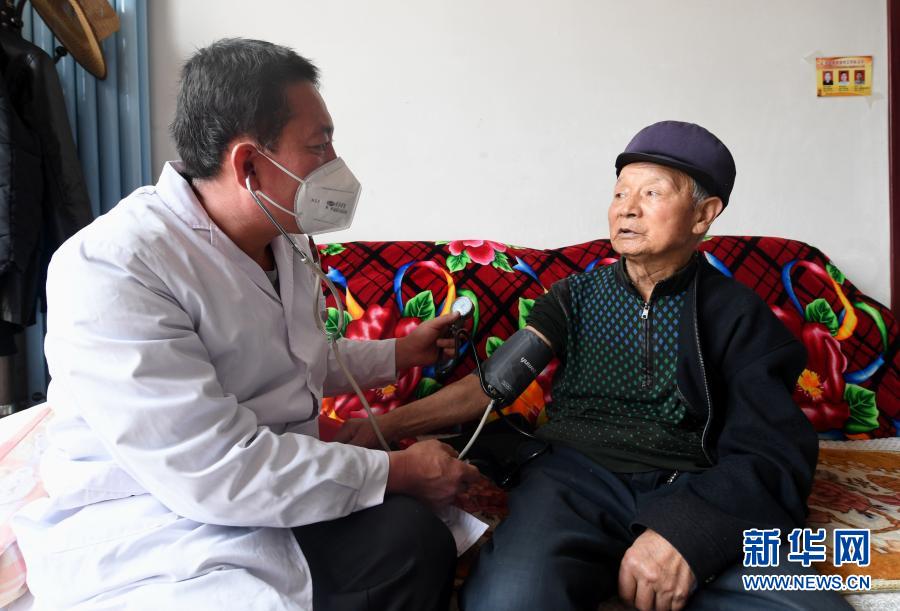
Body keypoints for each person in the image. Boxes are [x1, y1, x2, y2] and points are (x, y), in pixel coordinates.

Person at [11, 38, 481, 611]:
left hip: (268, 488)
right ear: (249, 165)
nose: (335, 163)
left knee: (416, 540)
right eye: (319, 145)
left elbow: (297, 355)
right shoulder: (115, 265)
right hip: (157, 515)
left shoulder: (283, 242)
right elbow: (212, 468)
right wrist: (396, 470)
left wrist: (402, 353)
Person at [337, 121, 851, 610]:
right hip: (572, 479)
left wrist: (688, 533)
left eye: (652, 193)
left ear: (703, 214)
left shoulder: (739, 316)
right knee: (510, 600)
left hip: (693, 482)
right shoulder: (573, 298)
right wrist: (380, 428)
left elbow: (771, 451)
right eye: (620, 193)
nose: (628, 209)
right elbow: (492, 385)